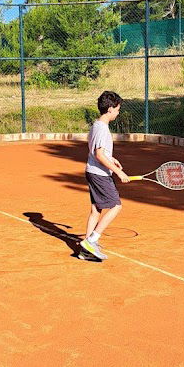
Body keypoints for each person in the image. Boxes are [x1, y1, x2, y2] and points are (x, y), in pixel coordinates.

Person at [80, 90, 129, 261]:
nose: (118, 112)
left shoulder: (96, 125)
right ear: (110, 109)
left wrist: (112, 158)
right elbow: (99, 155)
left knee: (96, 210)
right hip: (100, 174)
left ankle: (85, 250)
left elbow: (98, 151)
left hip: (92, 171)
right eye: (117, 109)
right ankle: (92, 240)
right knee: (116, 206)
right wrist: (119, 172)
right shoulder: (102, 129)